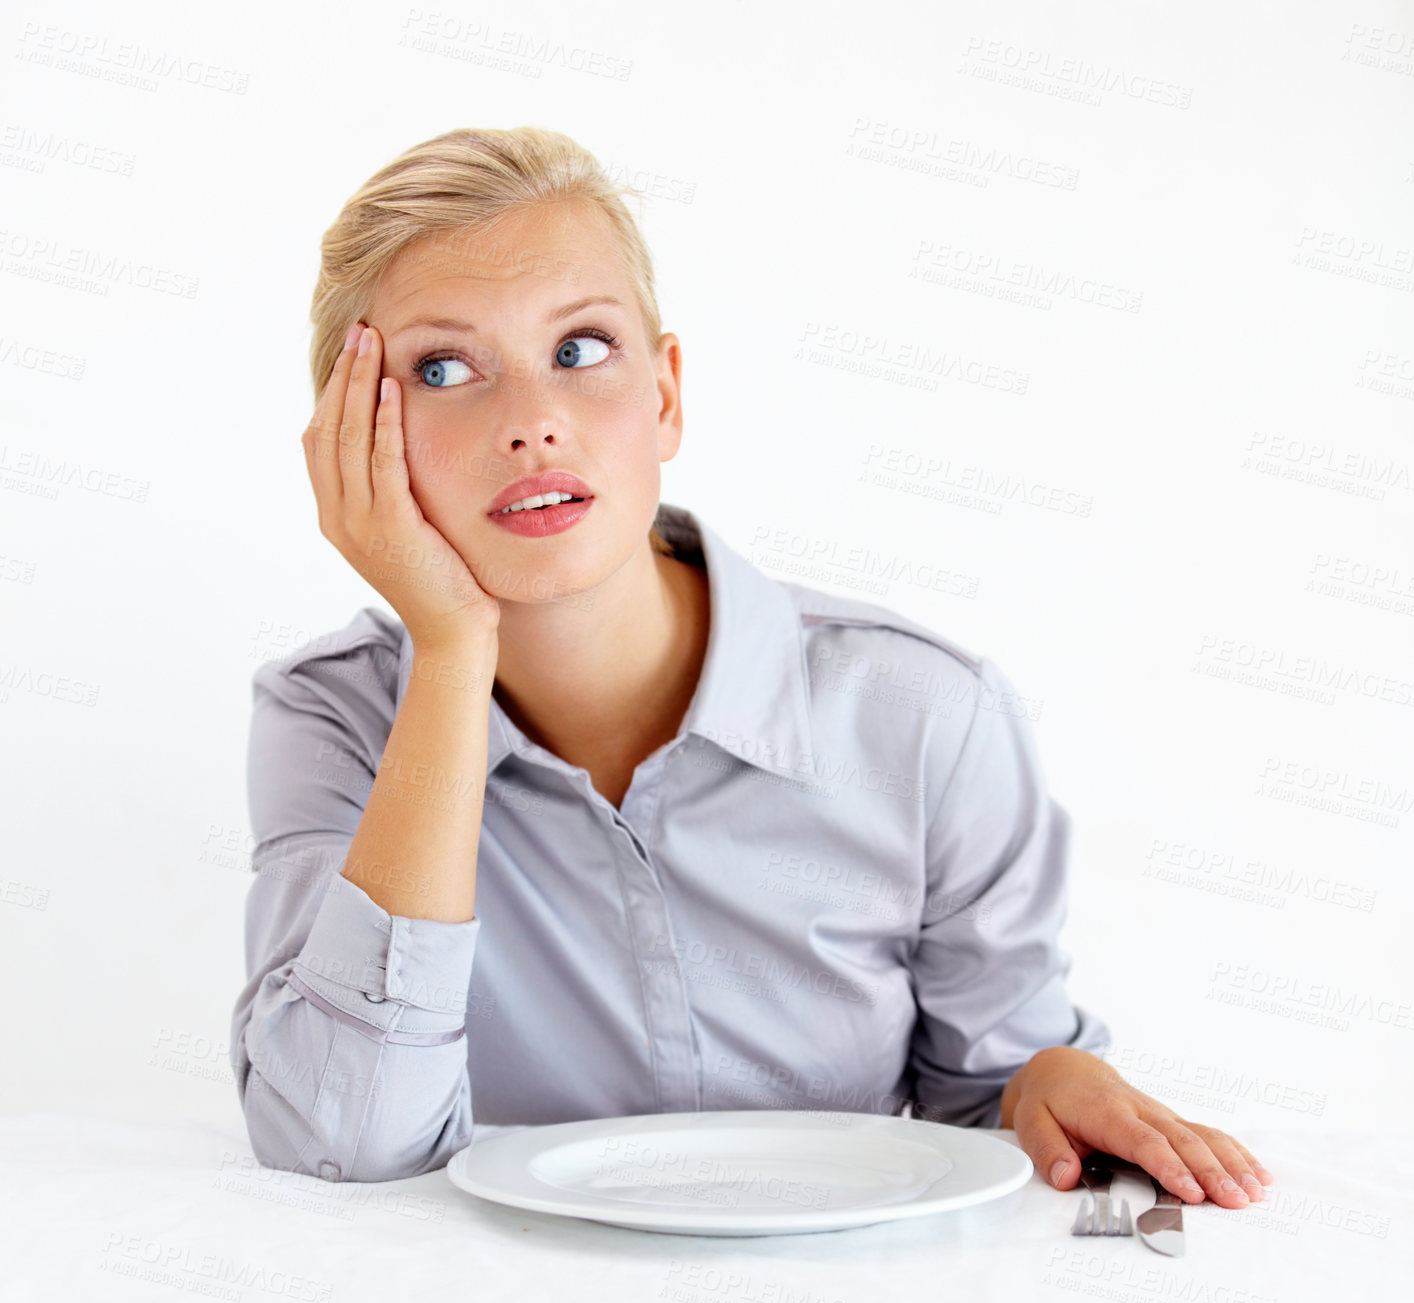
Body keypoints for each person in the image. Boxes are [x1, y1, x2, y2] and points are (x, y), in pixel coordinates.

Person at [231, 126, 1273, 1207]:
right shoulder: (332, 717)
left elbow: (986, 1109)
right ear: (354, 441)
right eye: (443, 369)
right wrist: (448, 651)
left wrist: (1039, 1081)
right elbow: (344, 1143)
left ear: (667, 394)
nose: (533, 422)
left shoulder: (924, 716)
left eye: (581, 349)